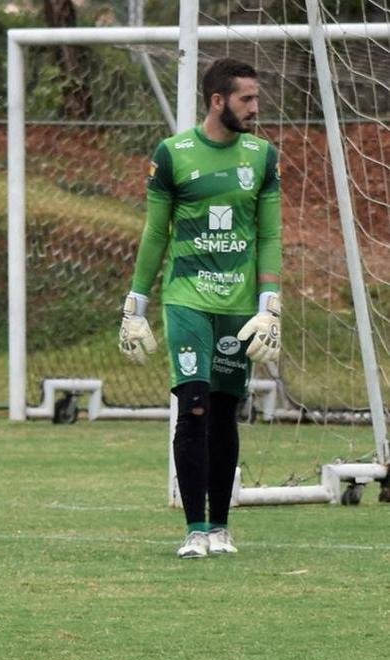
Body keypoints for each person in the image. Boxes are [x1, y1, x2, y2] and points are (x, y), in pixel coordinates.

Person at [118, 57, 282, 559]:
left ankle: (220, 528)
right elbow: (154, 233)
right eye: (246, 99)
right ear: (218, 101)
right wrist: (135, 304)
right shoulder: (173, 154)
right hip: (186, 299)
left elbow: (270, 234)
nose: (256, 108)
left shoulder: (263, 157)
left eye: (256, 98)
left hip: (238, 306)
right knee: (192, 406)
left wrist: (270, 305)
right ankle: (194, 529)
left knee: (225, 412)